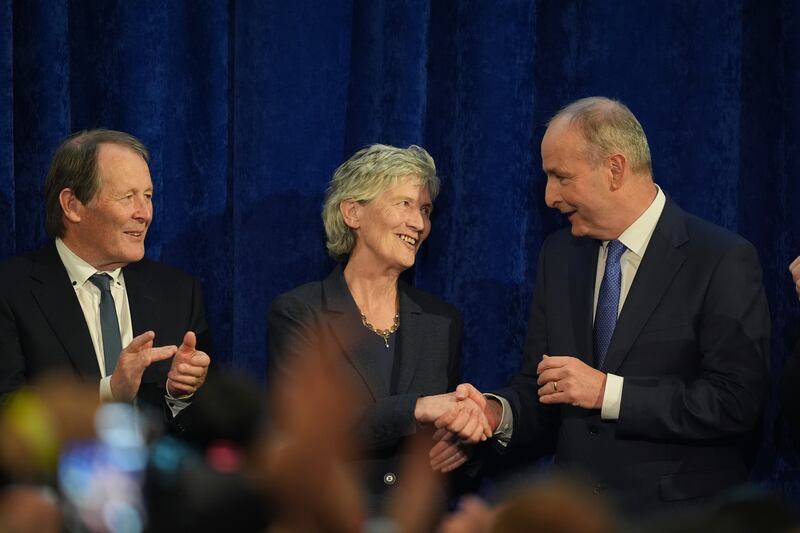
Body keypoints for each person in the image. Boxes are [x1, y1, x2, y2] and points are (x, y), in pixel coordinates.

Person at [436, 97, 770, 515]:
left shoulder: (720, 258)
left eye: (560, 177)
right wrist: (495, 412)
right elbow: (541, 388)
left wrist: (609, 392)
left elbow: (735, 402)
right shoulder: (559, 256)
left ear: (614, 169)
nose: (549, 196)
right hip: (576, 518)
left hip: (678, 521)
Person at [268, 144, 489, 510]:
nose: (419, 223)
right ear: (353, 212)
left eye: (425, 210)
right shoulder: (300, 312)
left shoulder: (442, 320)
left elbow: (446, 444)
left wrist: (464, 443)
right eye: (404, 204)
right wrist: (417, 409)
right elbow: (308, 434)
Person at [0, 129, 211, 425]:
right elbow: (8, 411)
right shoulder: (11, 289)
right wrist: (107, 393)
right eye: (127, 197)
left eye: (148, 196)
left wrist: (178, 394)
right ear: (72, 205)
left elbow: (201, 430)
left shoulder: (178, 292)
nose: (145, 213)